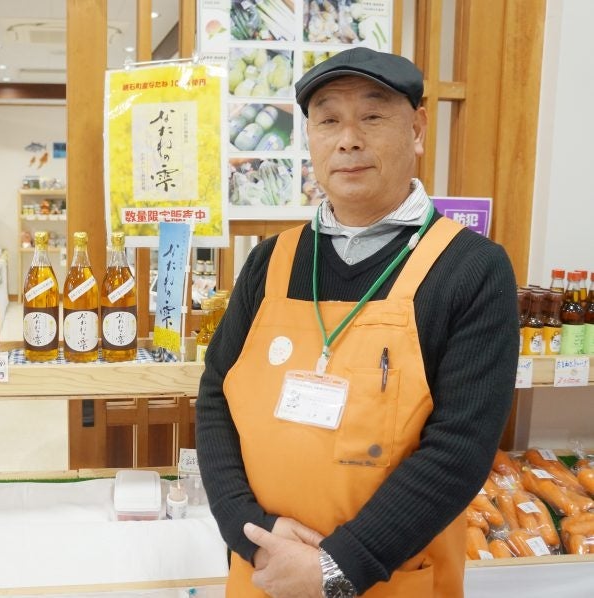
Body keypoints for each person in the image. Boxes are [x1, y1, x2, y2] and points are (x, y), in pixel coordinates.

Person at [196, 47, 518, 598]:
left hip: (392, 578)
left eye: (372, 116)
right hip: (264, 571)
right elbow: (215, 397)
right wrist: (249, 530)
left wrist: (334, 567)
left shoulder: (472, 269)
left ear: (416, 129)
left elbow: (460, 448)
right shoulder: (269, 261)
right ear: (311, 139)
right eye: (328, 120)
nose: (348, 139)